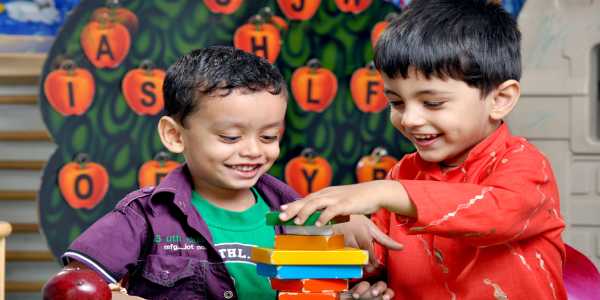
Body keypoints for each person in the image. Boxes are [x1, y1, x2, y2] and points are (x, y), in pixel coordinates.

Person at [49, 46, 393, 300]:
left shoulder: (301, 213)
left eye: (269, 136)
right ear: (174, 135)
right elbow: (74, 283)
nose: (253, 150)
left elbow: (323, 290)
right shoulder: (144, 216)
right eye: (230, 137)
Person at [279, 1, 567, 299]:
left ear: (500, 99)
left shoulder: (524, 164)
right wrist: (356, 243)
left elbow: (497, 213)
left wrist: (385, 192)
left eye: (432, 103)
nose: (409, 119)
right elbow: (382, 258)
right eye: (396, 102)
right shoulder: (403, 173)